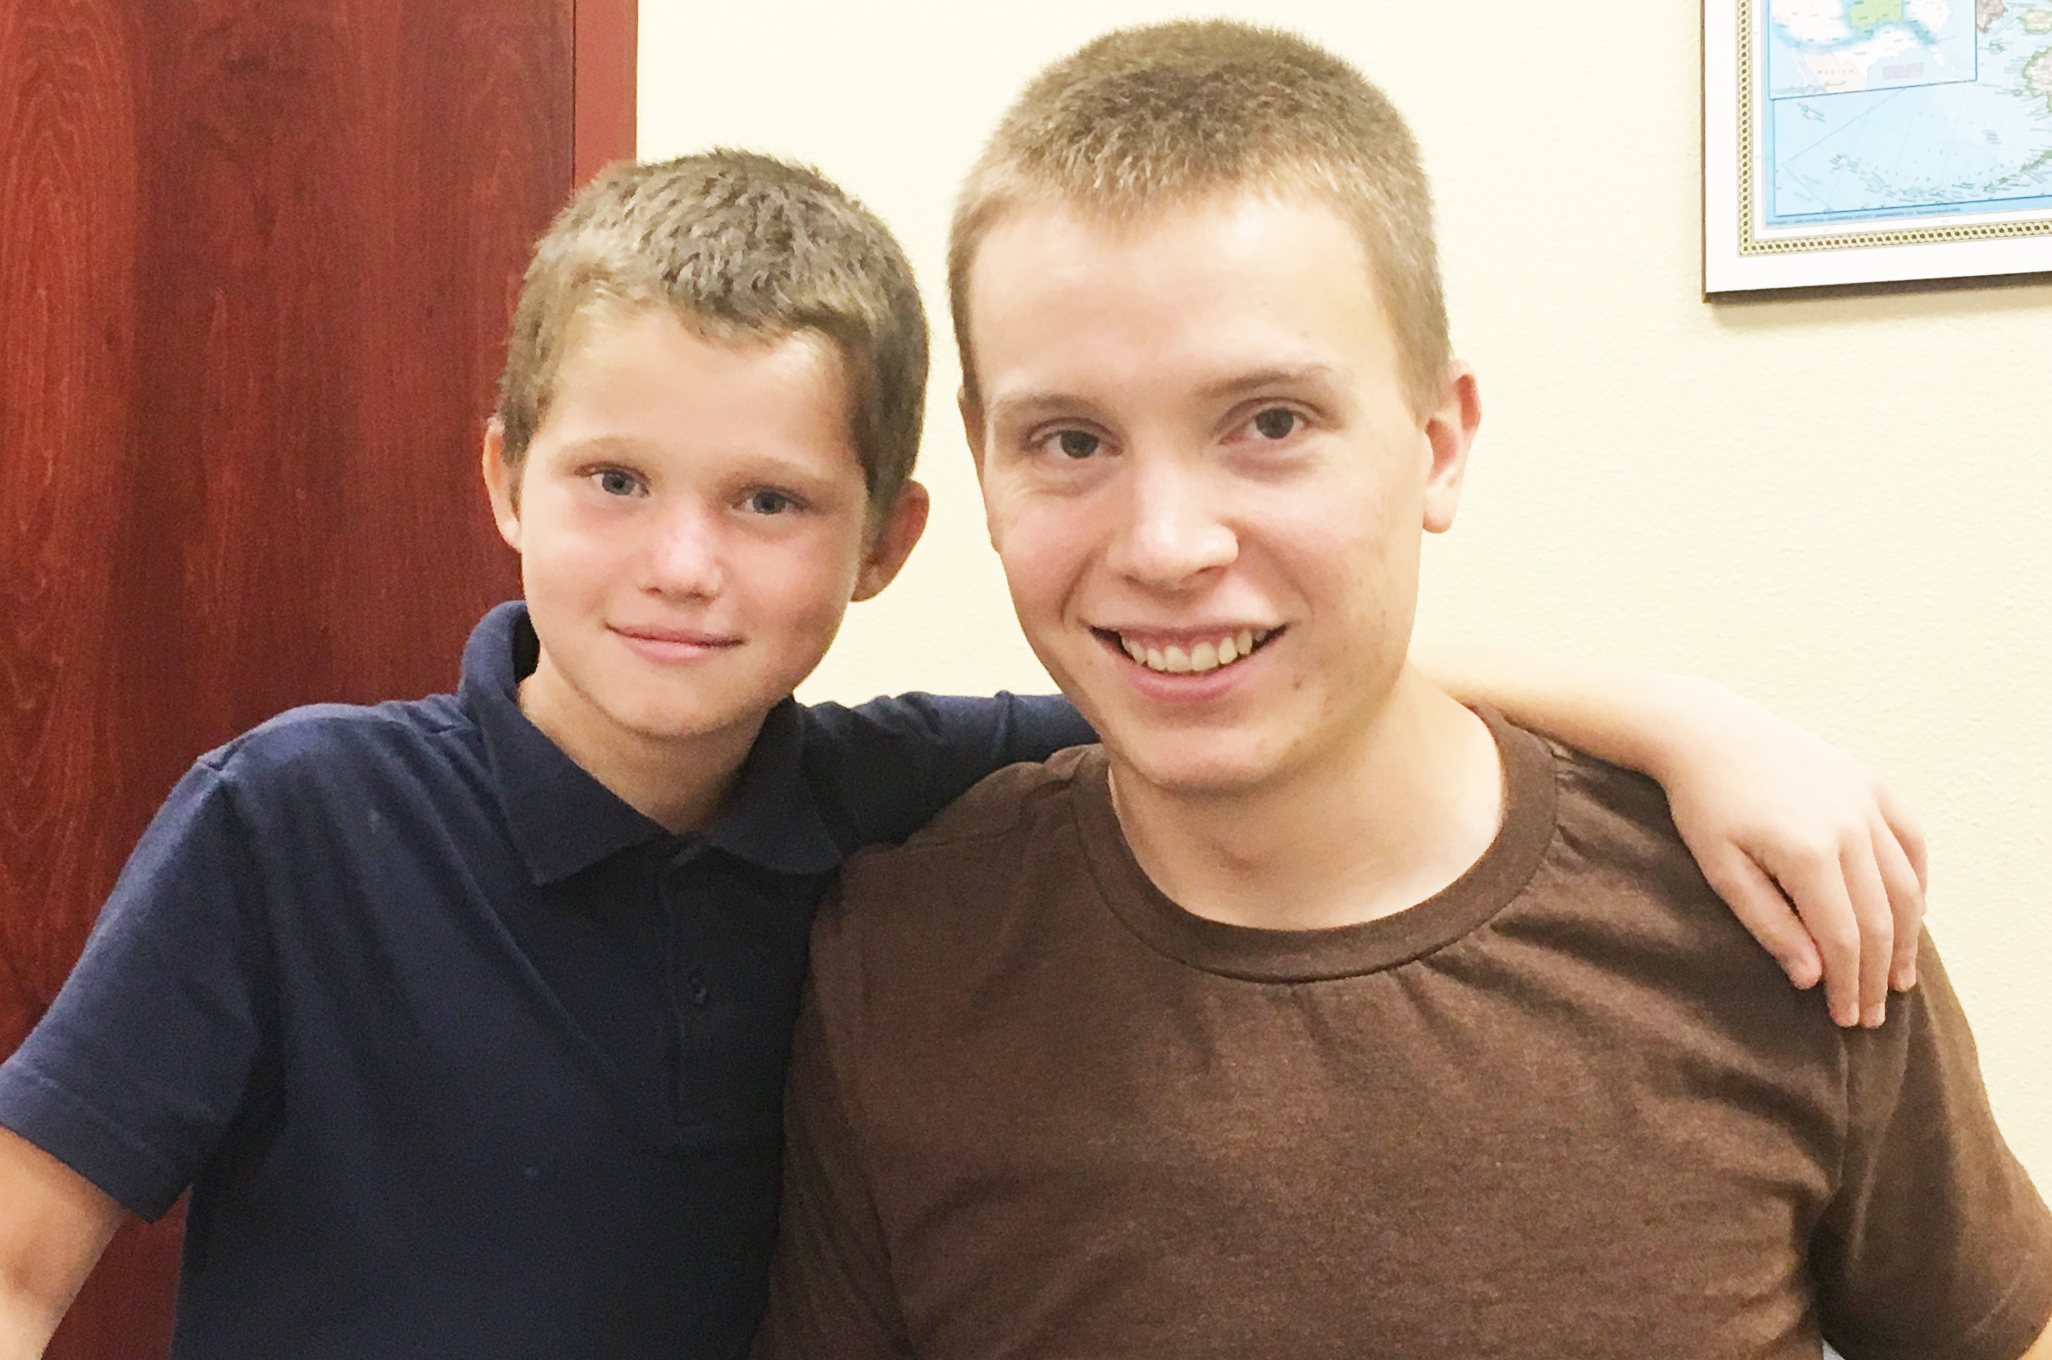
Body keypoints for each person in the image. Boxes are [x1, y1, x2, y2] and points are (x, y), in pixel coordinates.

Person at [0, 152, 1922, 1360]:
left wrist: (1687, 722)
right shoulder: (291, 820)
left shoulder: (900, 803)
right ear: (505, 481)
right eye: (612, 481)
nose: (682, 564)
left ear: (887, 543)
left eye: (769, 500)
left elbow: (1243, 672)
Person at [753, 22, 2052, 1360]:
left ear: (1438, 443)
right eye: (1071, 439)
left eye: (1270, 423)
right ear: (982, 465)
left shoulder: (1771, 908)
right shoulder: (902, 961)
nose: (1167, 546)